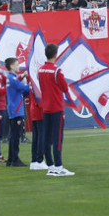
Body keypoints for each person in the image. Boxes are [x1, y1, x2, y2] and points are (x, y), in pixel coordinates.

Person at [39, 43, 74, 177]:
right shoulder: (57, 70)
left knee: (46, 138)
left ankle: (51, 166)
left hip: (46, 107)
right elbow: (65, 88)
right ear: (55, 55)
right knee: (57, 138)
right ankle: (58, 166)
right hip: (56, 107)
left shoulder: (41, 70)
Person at [5, 57, 31, 168]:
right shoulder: (12, 78)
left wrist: (23, 76)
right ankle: (15, 159)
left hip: (13, 109)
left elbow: (18, 83)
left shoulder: (11, 78)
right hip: (16, 110)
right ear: (11, 66)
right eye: (17, 64)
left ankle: (11, 159)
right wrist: (32, 84)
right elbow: (24, 88)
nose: (18, 66)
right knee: (15, 136)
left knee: (13, 136)